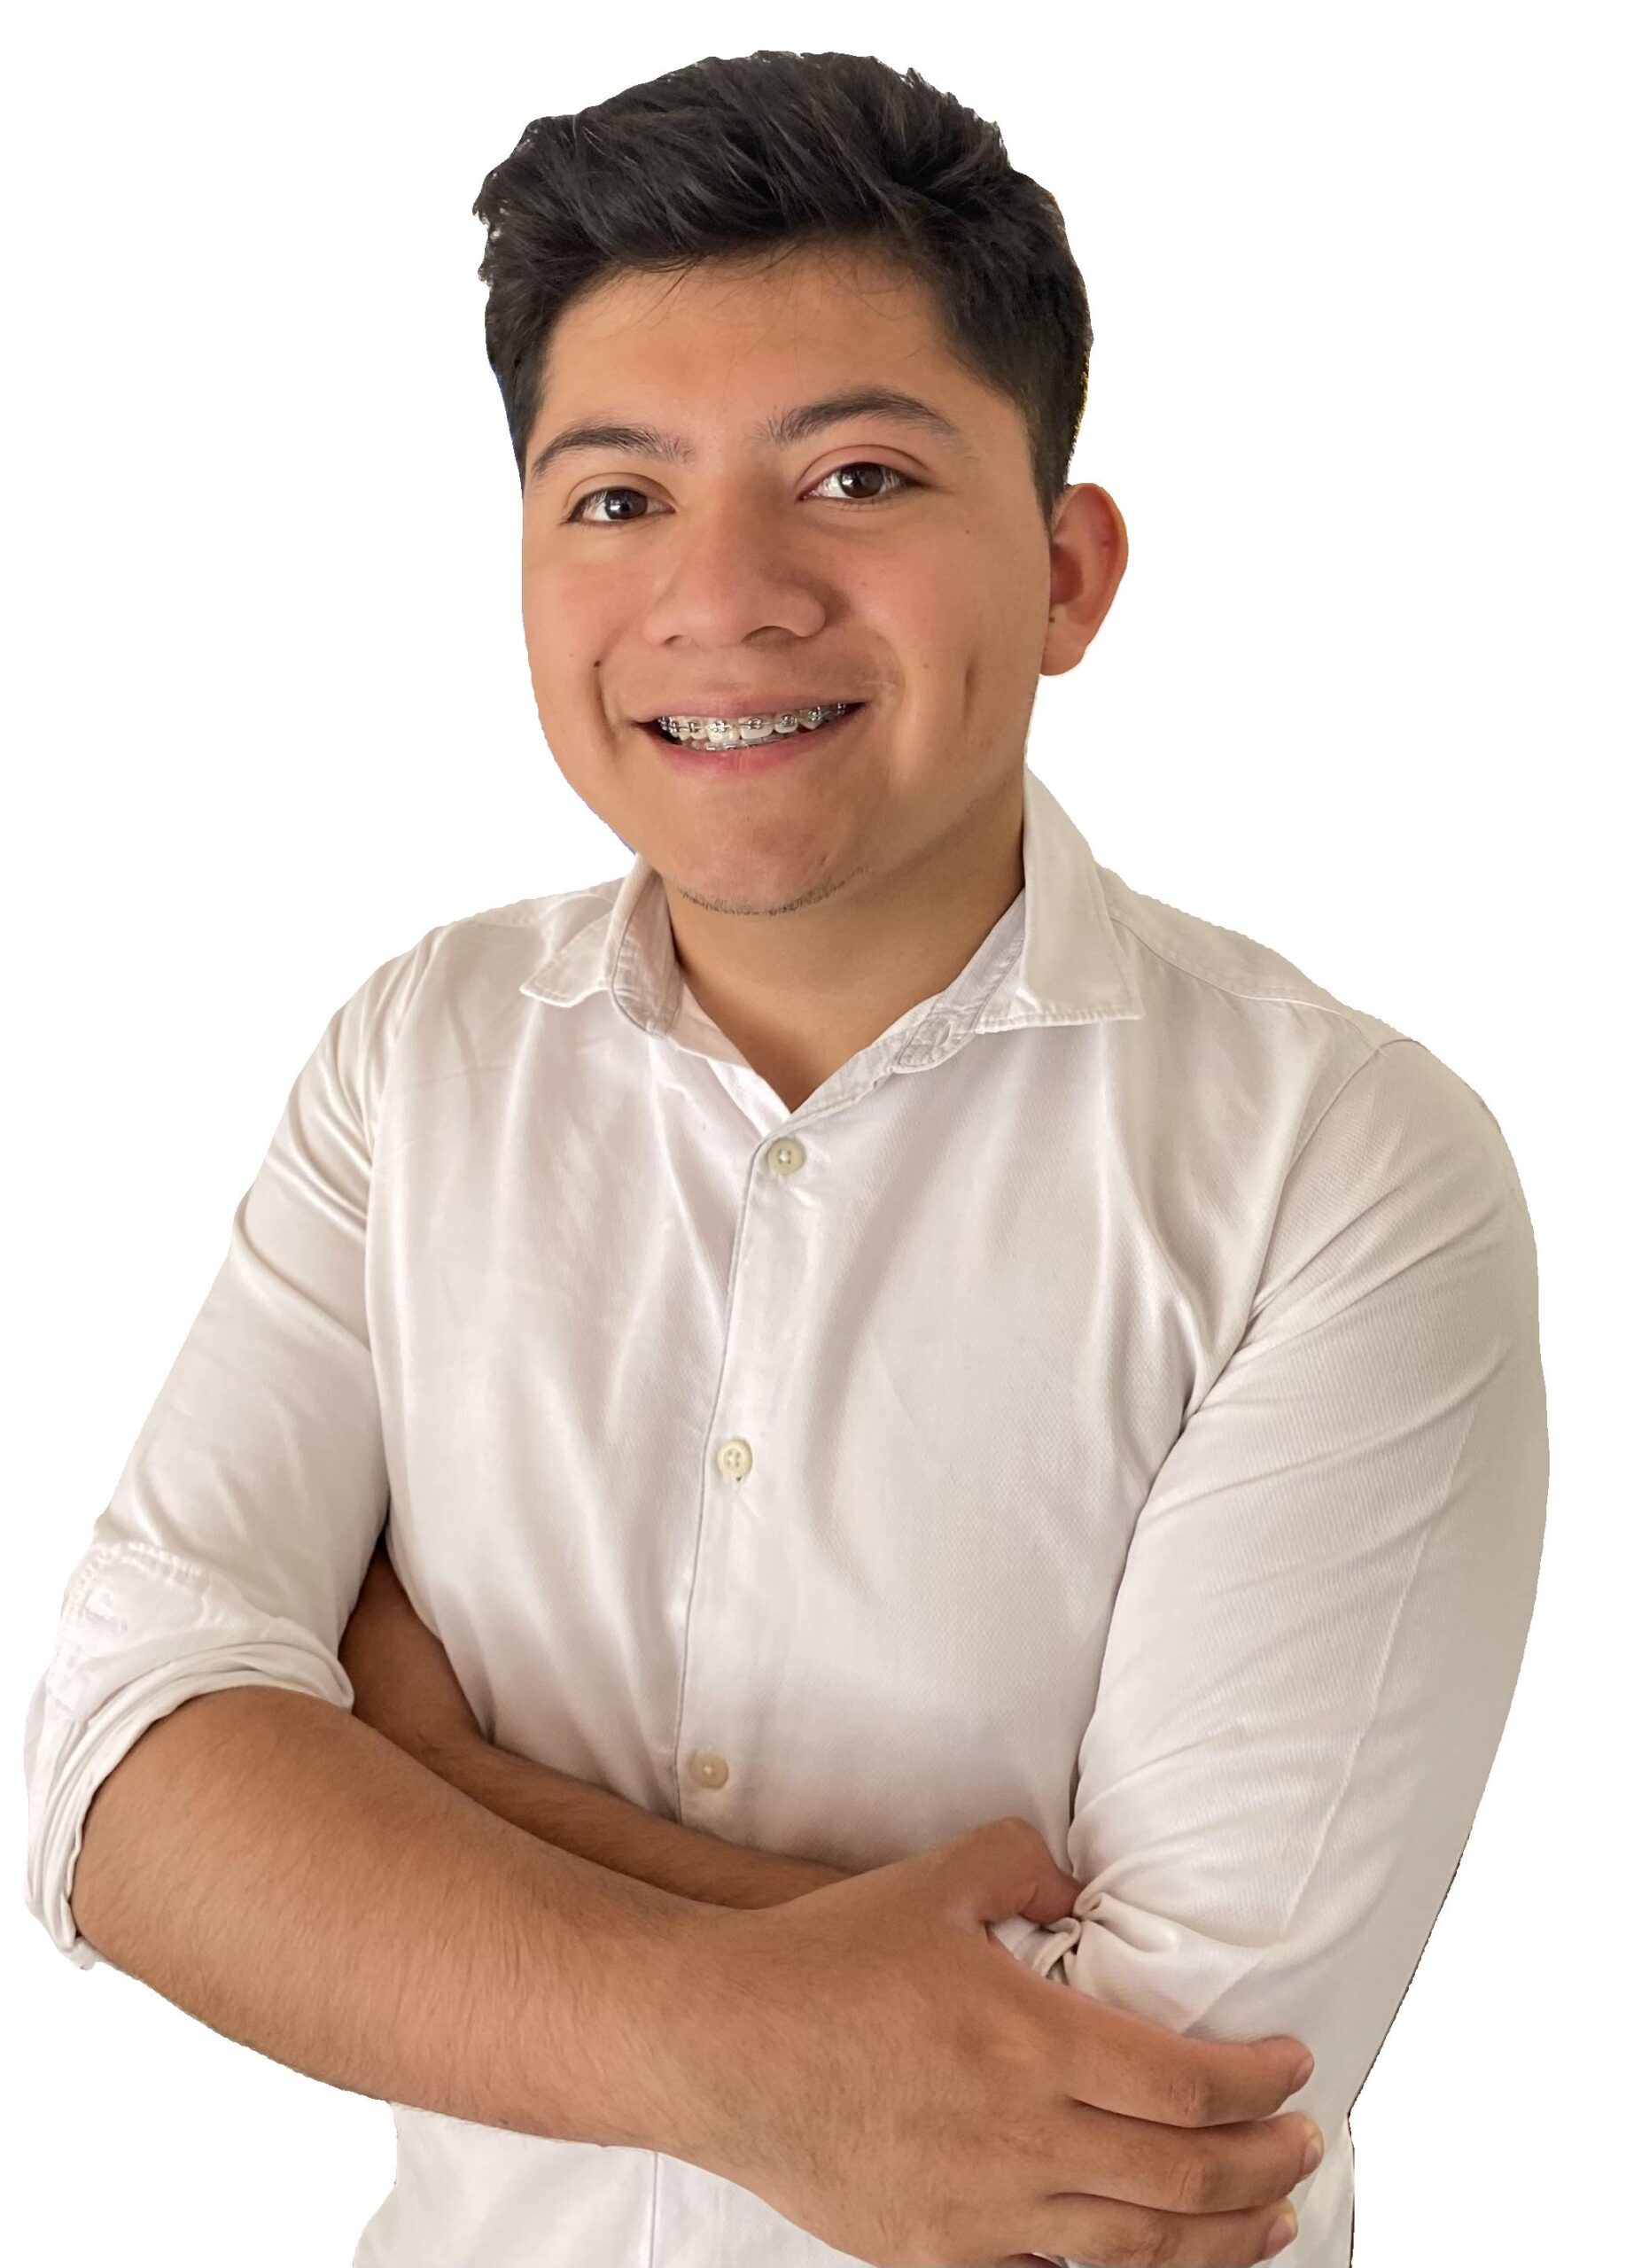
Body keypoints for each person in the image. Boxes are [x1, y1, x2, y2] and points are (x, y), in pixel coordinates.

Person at [21, 48, 1547, 2268]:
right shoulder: (418, 1059)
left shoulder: (1344, 1167)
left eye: (853, 475)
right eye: (615, 499)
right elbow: (116, 1775)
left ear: (1066, 572)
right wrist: (756, 2026)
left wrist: (411, 1780)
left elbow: (1151, 2121)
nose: (721, 594)